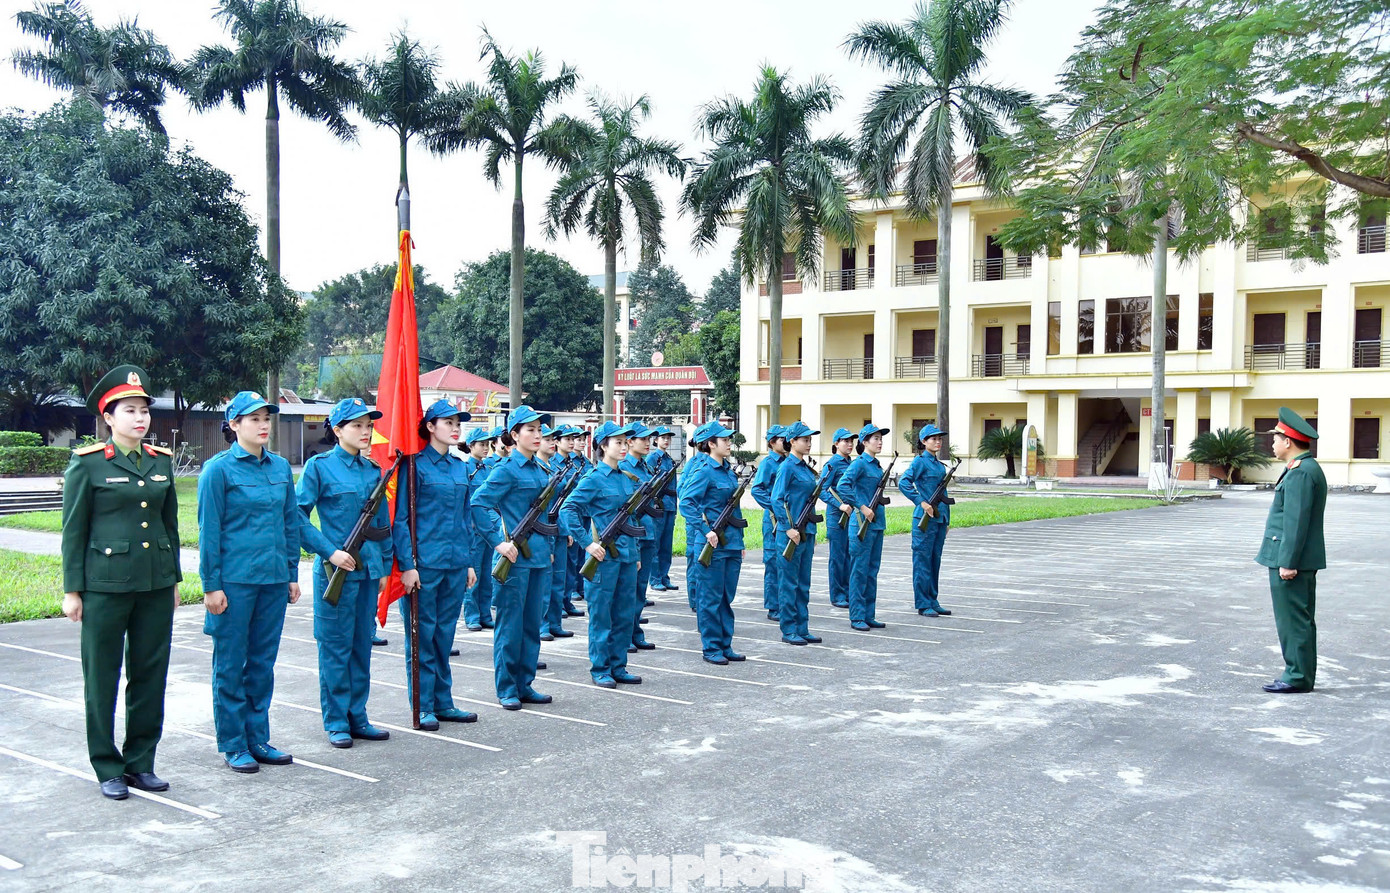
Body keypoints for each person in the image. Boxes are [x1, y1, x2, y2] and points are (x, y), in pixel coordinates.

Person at [60, 365, 180, 800]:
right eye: (129, 410)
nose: (140, 418)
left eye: (144, 410)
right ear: (108, 417)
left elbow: (169, 527)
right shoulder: (88, 465)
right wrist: (73, 589)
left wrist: (173, 582)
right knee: (102, 676)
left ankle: (140, 762)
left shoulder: (160, 462)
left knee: (150, 674)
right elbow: (74, 531)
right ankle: (107, 766)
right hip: (105, 587)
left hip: (153, 585)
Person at [198, 391, 301, 774]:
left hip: (273, 581)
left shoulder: (279, 468)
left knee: (262, 663)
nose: (262, 425)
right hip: (235, 582)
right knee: (230, 664)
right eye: (253, 418)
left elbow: (290, 523)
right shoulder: (218, 470)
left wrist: (291, 573)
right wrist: (211, 585)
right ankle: (233, 743)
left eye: (266, 418)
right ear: (234, 425)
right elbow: (209, 532)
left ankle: (257, 737)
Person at [296, 398, 394, 748]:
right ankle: (336, 720)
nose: (365, 431)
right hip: (335, 571)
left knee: (360, 647)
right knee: (335, 648)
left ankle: (358, 716)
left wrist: (384, 564)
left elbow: (381, 524)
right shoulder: (319, 468)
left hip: (368, 572)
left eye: (368, 425)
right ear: (337, 430)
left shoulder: (373, 471)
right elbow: (297, 516)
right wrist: (329, 551)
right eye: (357, 425)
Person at [391, 399, 480, 730]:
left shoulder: (460, 466)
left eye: (459, 422)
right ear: (430, 427)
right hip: (424, 563)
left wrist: (469, 561)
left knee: (444, 635)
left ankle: (444, 701)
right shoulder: (413, 466)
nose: (456, 428)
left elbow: (465, 516)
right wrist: (408, 564)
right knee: (422, 636)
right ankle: (423, 704)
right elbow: (400, 519)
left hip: (455, 562)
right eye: (449, 422)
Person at [472, 406, 555, 710]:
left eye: (540, 430)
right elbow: (479, 504)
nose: (537, 435)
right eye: (530, 430)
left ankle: (525, 683)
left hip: (539, 558)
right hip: (515, 559)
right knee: (510, 626)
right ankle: (507, 687)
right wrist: (498, 542)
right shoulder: (506, 470)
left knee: (532, 625)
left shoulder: (541, 469)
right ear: (514, 435)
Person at [560, 421, 643, 688]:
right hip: (602, 558)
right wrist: (586, 543)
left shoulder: (625, 478)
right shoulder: (594, 479)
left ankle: (619, 666)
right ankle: (600, 668)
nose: (623, 447)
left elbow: (632, 519)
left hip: (627, 556)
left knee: (624, 614)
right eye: (617, 442)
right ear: (603, 446)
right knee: (601, 616)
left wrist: (636, 552)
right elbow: (568, 509)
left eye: (625, 442)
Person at [1256, 408, 1326, 694]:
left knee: (1293, 620)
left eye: (1276, 438)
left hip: (1290, 560)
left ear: (1288, 441)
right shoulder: (1304, 468)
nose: (1272, 443)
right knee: (1299, 619)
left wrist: (1288, 562)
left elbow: (1295, 523)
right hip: (1294, 558)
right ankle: (1299, 674)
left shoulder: (1301, 472)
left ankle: (1297, 676)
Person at [679, 420, 746, 665]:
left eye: (729, 439)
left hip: (731, 544)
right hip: (711, 545)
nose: (729, 443)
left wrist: (741, 543)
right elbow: (686, 502)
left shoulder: (727, 470)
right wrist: (705, 530)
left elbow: (734, 512)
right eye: (725, 440)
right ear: (711, 444)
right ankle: (711, 647)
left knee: (726, 597)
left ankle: (725, 644)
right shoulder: (704, 470)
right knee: (710, 597)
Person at [832, 423, 891, 631]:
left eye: (880, 438)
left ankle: (869, 614)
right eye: (875, 438)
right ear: (865, 442)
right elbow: (842, 486)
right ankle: (857, 616)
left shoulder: (876, 465)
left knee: (872, 571)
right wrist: (862, 506)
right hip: (861, 524)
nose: (880, 441)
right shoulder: (858, 464)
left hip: (876, 524)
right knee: (859, 570)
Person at [772, 421, 823, 646]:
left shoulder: (804, 467)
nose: (809, 443)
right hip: (790, 534)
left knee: (803, 583)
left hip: (807, 531)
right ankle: (789, 629)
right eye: (805, 439)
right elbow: (777, 499)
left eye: (810, 439)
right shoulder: (787, 467)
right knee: (788, 584)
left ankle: (802, 627)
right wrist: (788, 527)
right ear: (792, 442)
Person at [897, 424, 953, 618]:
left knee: (934, 561)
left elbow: (943, 494)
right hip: (925, 519)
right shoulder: (920, 462)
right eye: (933, 439)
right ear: (923, 442)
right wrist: (921, 502)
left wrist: (946, 521)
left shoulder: (938, 465)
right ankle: (923, 603)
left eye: (939, 439)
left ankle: (933, 599)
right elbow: (903, 482)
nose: (937, 442)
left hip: (939, 519)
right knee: (922, 561)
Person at [621, 421, 659, 652]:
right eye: (643, 439)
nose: (648, 443)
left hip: (647, 533)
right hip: (631, 535)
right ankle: (624, 635)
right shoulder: (624, 467)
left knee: (640, 589)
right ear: (630, 442)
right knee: (627, 590)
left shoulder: (645, 467)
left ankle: (635, 631)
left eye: (648, 439)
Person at [537, 424, 574, 642]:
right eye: (547, 439)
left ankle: (554, 622)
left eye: (553, 439)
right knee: (544, 582)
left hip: (557, 529)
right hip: (542, 531)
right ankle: (542, 624)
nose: (552, 442)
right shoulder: (538, 469)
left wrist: (566, 529)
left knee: (558, 579)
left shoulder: (551, 468)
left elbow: (561, 504)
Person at [751, 425, 789, 620]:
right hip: (774, 519)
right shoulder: (768, 463)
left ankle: (786, 603)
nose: (786, 442)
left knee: (787, 562)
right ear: (772, 442)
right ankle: (774, 606)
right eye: (782, 439)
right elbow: (757, 490)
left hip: (789, 518)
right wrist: (775, 507)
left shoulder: (788, 462)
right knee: (773, 561)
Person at [461, 427, 496, 632]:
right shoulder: (466, 469)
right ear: (471, 446)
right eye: (481, 444)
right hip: (474, 530)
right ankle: (472, 615)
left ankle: (484, 613)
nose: (485, 448)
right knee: (474, 573)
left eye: (487, 444)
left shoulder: (488, 469)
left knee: (486, 575)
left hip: (488, 528)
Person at [819, 428, 857, 609]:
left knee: (850, 555)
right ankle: (837, 594)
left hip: (853, 516)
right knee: (838, 556)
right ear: (836, 444)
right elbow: (821, 490)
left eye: (851, 441)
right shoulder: (832, 464)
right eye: (845, 441)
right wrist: (839, 505)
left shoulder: (853, 463)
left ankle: (849, 592)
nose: (850, 445)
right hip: (837, 517)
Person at [553, 426, 586, 620]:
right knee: (560, 567)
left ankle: (565, 601)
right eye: (567, 439)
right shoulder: (554, 464)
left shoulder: (573, 465)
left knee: (571, 563)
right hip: (559, 519)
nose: (572, 441)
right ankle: (560, 604)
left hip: (575, 517)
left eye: (573, 438)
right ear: (557, 442)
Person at [648, 426, 680, 592]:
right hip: (658, 505)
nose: (666, 440)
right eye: (663, 437)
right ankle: (655, 578)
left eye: (668, 437)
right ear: (655, 440)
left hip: (669, 506)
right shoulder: (653, 459)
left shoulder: (669, 459)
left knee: (667, 545)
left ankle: (664, 576)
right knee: (656, 543)